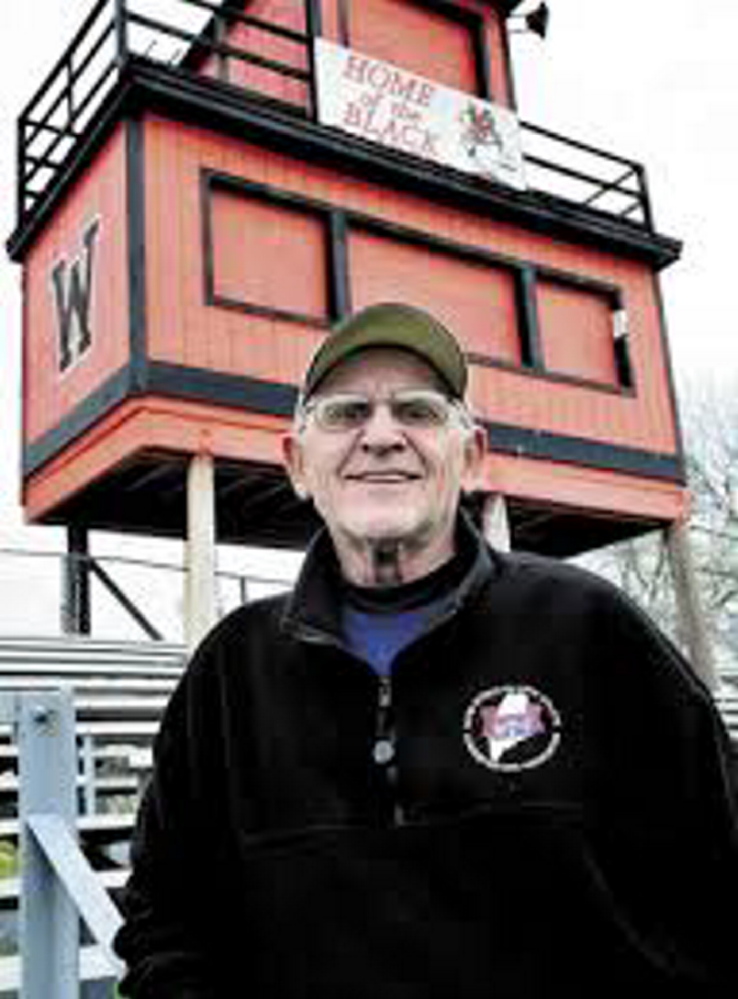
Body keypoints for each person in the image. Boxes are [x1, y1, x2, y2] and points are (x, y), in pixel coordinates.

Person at [115, 302, 738, 998]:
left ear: (471, 456)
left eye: (417, 410)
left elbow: (720, 890)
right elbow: (164, 920)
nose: (382, 436)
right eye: (346, 413)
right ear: (296, 462)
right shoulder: (230, 672)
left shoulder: (595, 630)